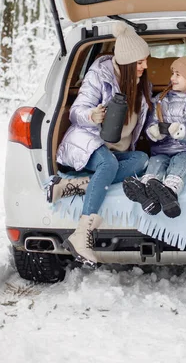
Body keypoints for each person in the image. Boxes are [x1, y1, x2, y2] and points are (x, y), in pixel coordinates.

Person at [49, 21, 151, 266]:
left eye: (146, 60)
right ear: (126, 63)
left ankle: (71, 186)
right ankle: (82, 235)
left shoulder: (142, 84)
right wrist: (92, 116)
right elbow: (76, 113)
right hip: (88, 140)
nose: (145, 66)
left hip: (118, 151)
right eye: (139, 62)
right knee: (107, 164)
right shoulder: (99, 76)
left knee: (141, 160)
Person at [123, 52, 186, 218]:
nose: (172, 78)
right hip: (163, 148)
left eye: (178, 75)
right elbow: (151, 123)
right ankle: (147, 191)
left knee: (180, 161)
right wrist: (154, 132)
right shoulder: (160, 100)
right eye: (172, 73)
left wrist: (182, 132)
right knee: (156, 161)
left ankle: (170, 191)